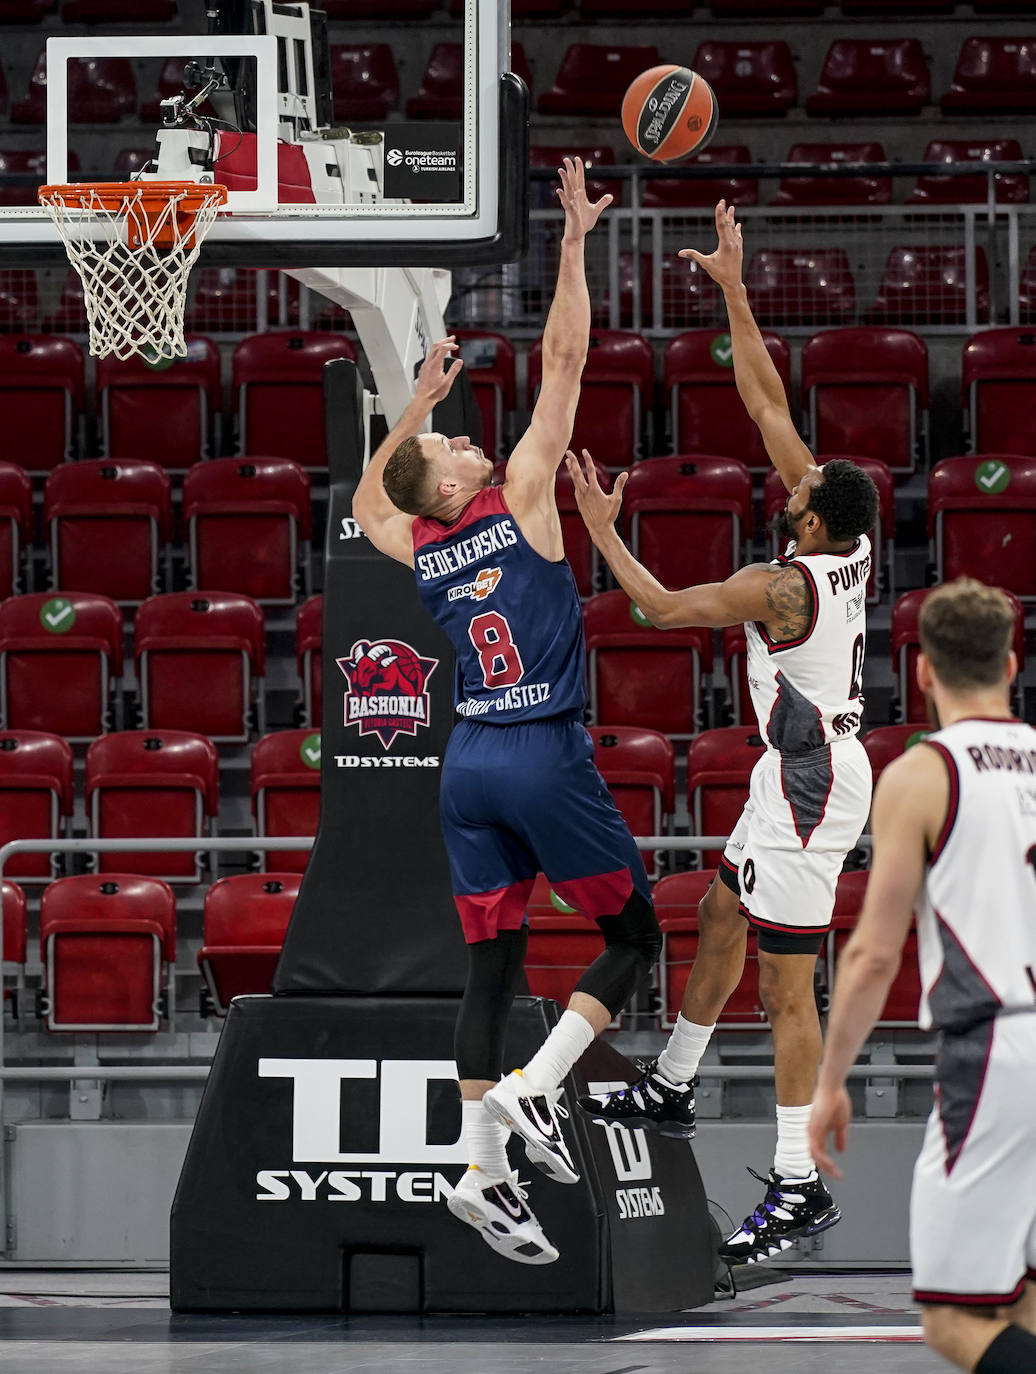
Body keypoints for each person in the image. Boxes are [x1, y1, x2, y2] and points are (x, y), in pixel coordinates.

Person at [351, 157, 662, 1267]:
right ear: (452, 485)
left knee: (493, 966)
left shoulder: (420, 543)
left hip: (468, 760)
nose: (467, 438)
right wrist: (573, 241)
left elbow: (362, 500)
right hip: (537, 750)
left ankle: (480, 1173)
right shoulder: (519, 498)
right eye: (451, 445)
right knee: (633, 936)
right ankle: (537, 1090)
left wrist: (411, 411)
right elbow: (567, 359)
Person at [567, 200, 880, 1267]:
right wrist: (735, 290)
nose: (784, 489)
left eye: (794, 496)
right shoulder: (845, 541)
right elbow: (765, 402)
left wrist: (604, 533)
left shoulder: (778, 589)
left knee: (789, 987)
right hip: (793, 768)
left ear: (810, 525)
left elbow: (656, 609)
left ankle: (797, 1185)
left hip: (807, 784)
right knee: (718, 908)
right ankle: (671, 1085)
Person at [810, 579, 1036, 1374]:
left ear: (922, 674)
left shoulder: (921, 774)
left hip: (1000, 1049)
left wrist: (832, 1078)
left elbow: (874, 953)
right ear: (1012, 661)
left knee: (951, 1318)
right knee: (1018, 1298)